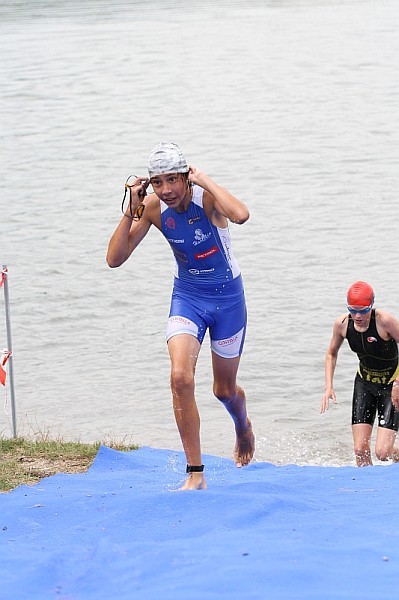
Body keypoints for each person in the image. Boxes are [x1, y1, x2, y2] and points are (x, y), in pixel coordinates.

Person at [106, 142, 255, 490]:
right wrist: (132, 209)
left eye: (173, 179)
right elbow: (115, 259)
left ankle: (242, 425)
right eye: (158, 182)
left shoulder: (207, 200)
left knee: (224, 390)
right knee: (180, 377)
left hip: (228, 301)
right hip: (187, 297)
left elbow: (242, 214)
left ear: (186, 176)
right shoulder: (155, 208)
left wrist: (204, 179)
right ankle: (196, 473)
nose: (167, 190)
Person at [321, 280, 399, 466]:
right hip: (365, 382)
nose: (357, 315)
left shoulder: (384, 321)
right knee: (360, 450)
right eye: (353, 310)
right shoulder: (342, 324)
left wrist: (397, 383)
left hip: (391, 384)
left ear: (371, 306)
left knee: (383, 452)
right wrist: (329, 387)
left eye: (363, 311)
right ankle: (366, 490)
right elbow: (331, 354)